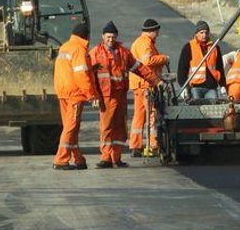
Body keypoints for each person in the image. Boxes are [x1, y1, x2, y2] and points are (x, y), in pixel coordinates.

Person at [90, 21, 158, 168]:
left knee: (120, 127)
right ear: (103, 36)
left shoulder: (123, 53)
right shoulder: (95, 53)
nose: (110, 39)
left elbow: (139, 68)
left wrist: (155, 81)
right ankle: (106, 157)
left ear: (116, 37)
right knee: (106, 127)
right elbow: (89, 77)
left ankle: (117, 157)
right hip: (106, 96)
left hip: (120, 95)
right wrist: (93, 95)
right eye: (108, 37)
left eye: (113, 37)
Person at [52, 22, 102, 170]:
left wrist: (91, 69)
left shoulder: (65, 47)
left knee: (70, 127)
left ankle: (78, 159)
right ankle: (60, 160)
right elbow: (81, 75)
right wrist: (92, 95)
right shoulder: (79, 49)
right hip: (74, 93)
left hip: (63, 92)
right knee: (71, 127)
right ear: (86, 36)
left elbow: (71, 70)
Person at [128, 18, 169, 157]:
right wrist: (164, 58)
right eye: (156, 31)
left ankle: (135, 146)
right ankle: (154, 145)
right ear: (151, 31)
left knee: (138, 116)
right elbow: (148, 61)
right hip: (146, 85)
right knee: (152, 114)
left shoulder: (138, 42)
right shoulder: (146, 43)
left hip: (138, 85)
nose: (157, 34)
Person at [176, 20, 226, 99]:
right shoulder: (189, 47)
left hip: (211, 87)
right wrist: (183, 87)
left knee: (213, 109)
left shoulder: (215, 47)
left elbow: (220, 68)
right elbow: (182, 70)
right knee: (196, 109)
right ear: (196, 34)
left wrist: (223, 85)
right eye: (201, 32)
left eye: (206, 32)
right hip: (195, 88)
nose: (204, 35)